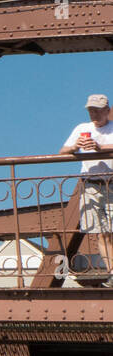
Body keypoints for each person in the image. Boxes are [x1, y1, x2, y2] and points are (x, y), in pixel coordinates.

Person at [60, 94, 113, 284]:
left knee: (110, 231)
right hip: (90, 184)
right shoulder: (82, 129)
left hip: (111, 184)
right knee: (102, 232)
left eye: (98, 110)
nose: (94, 114)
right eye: (91, 110)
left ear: (107, 110)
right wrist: (75, 146)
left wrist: (100, 148)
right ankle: (112, 272)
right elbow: (62, 152)